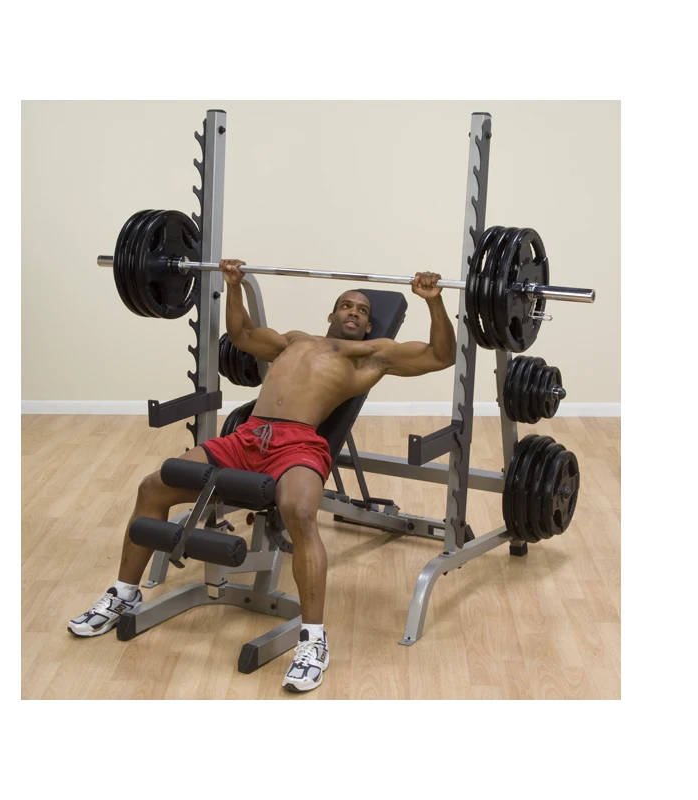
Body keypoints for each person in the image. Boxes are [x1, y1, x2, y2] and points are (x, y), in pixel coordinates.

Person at [68, 259, 457, 692]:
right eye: (346, 306)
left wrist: (433, 302)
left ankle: (313, 640)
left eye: (362, 311)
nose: (353, 312)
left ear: (368, 326)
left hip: (298, 444)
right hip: (247, 436)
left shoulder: (372, 355)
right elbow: (242, 335)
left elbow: (441, 355)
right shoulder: (293, 340)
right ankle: (123, 594)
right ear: (330, 314)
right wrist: (234, 286)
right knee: (153, 486)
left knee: (299, 512)